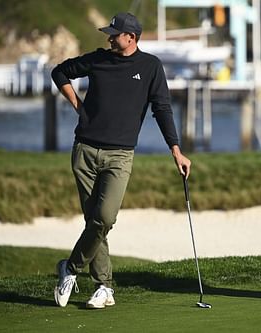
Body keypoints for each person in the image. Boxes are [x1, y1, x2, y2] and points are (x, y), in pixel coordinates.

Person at [51, 12, 191, 309]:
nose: (109, 37)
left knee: (105, 218)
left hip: (120, 155)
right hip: (85, 151)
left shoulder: (151, 66)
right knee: (95, 222)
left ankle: (70, 268)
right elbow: (59, 73)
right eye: (110, 33)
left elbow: (162, 109)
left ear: (132, 38)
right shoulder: (98, 58)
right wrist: (78, 106)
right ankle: (104, 287)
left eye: (114, 34)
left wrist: (175, 149)